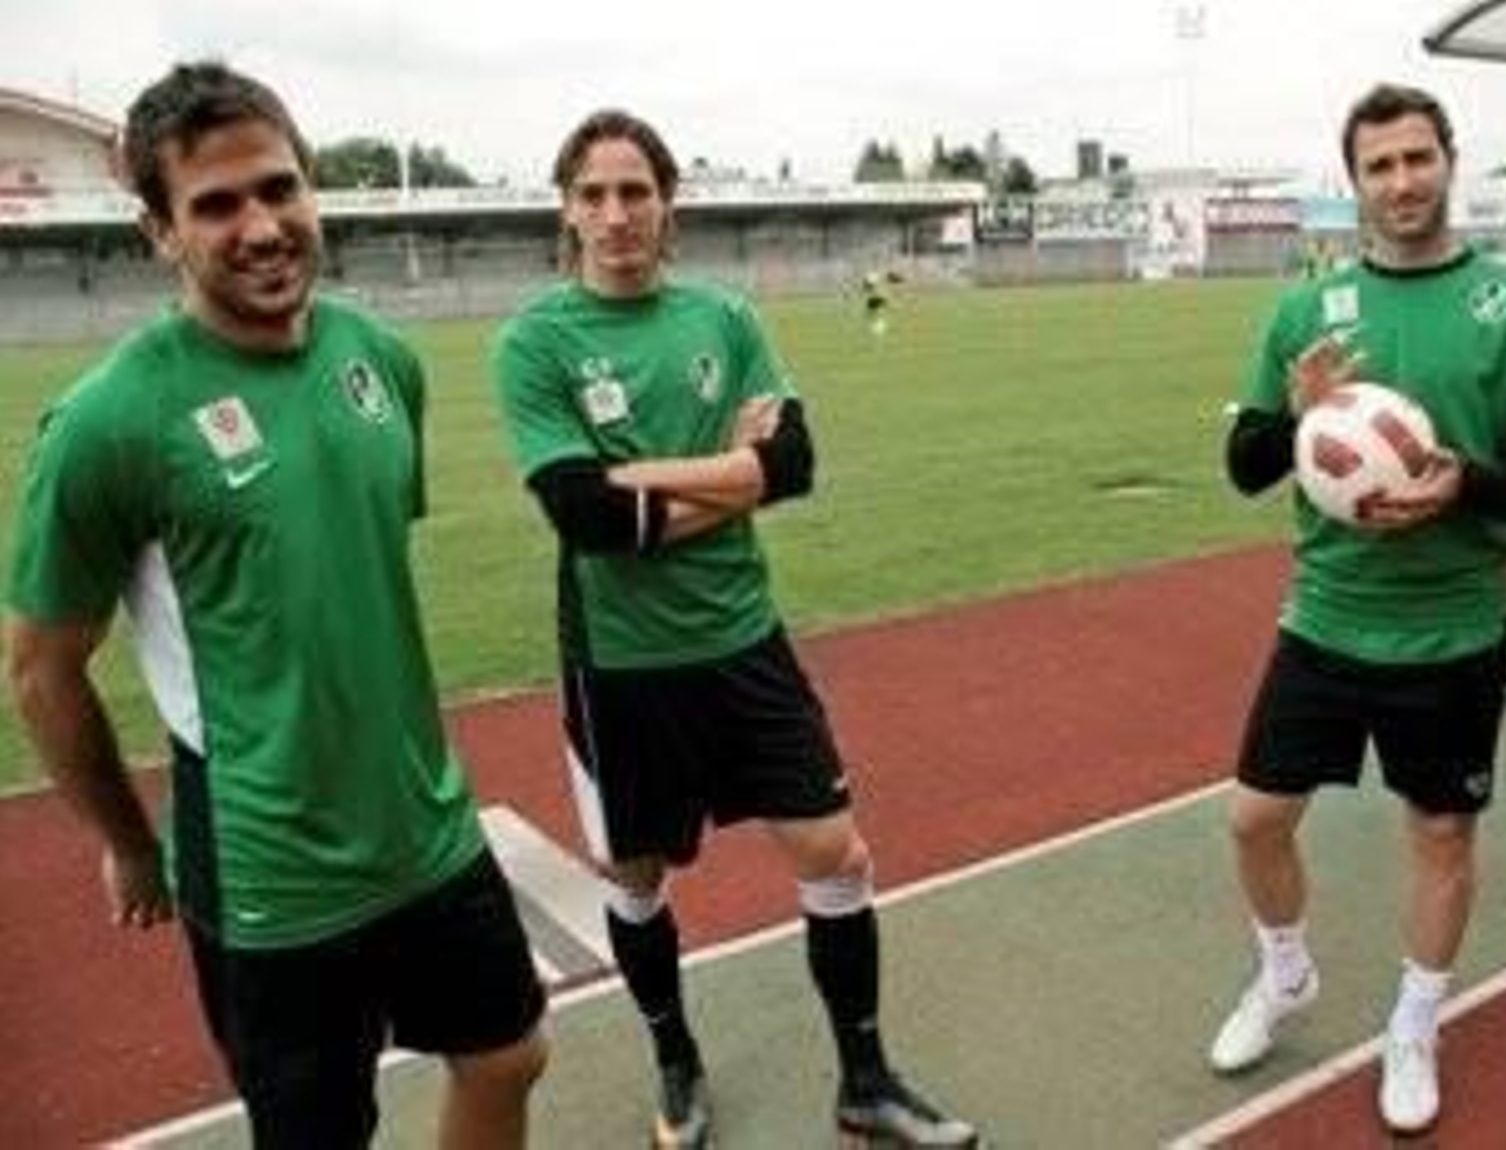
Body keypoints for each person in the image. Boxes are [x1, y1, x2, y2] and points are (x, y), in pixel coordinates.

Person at [5, 61, 548, 1148]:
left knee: (508, 1051)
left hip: (426, 821)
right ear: (159, 229)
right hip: (268, 868)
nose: (260, 226)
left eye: (277, 188)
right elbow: (41, 669)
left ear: (311, 187)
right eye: (214, 205)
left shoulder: (381, 362)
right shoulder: (109, 422)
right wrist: (124, 839)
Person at [491, 109, 979, 1149]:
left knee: (836, 852)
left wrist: (650, 475)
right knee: (637, 880)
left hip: (745, 640)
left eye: (635, 191)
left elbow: (793, 465)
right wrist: (736, 474)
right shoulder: (533, 343)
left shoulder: (725, 318)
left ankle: (865, 1079)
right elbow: (588, 520)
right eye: (594, 195)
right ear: (567, 211)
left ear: (667, 203)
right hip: (620, 667)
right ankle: (674, 1058)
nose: (616, 214)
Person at [1209, 82, 1506, 1134]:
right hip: (1324, 617)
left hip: (1454, 626)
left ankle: (1414, 1024)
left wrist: (1461, 481)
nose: (1401, 181)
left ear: (1450, 161)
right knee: (1252, 819)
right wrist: (1297, 409)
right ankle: (1284, 972)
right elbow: (1243, 465)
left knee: (1440, 835)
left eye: (1417, 158)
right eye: (1379, 165)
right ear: (1356, 181)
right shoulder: (1304, 312)